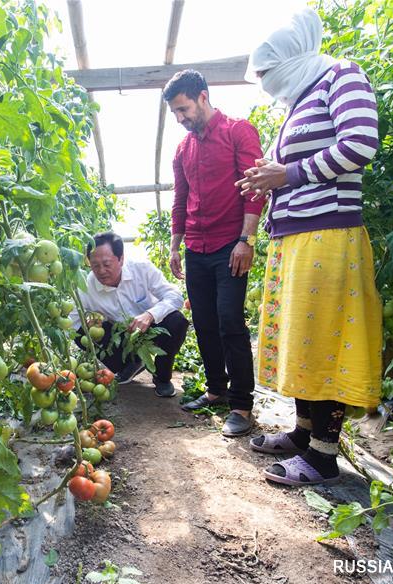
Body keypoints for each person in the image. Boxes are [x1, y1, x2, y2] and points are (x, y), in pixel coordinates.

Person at [235, 8, 382, 485]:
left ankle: (322, 456)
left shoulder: (342, 76)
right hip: (296, 236)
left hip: (328, 234)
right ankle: (302, 432)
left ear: (294, 59)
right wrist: (269, 182)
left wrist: (289, 174)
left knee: (323, 343)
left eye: (268, 73)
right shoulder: (300, 100)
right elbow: (296, 166)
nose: (265, 83)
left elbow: (360, 143)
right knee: (301, 340)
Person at [163, 69, 266, 436]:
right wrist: (175, 246)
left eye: (184, 109)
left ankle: (241, 403)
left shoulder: (238, 131)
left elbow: (255, 189)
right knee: (204, 322)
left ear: (203, 97)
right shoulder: (183, 149)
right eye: (175, 113)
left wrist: (246, 240)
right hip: (196, 247)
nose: (180, 118)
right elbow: (180, 199)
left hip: (229, 245)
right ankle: (216, 390)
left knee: (229, 321)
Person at [71, 232, 188, 398]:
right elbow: (71, 322)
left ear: (121, 259)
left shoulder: (141, 269)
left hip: (153, 327)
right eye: (95, 265)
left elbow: (175, 296)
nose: (101, 271)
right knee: (82, 334)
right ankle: (127, 364)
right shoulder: (87, 285)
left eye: (106, 264)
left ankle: (162, 377)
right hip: (121, 335)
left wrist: (149, 314)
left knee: (177, 321)